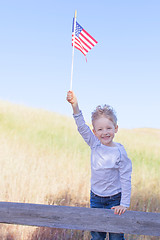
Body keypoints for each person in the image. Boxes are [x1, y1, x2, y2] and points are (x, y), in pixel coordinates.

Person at [66, 90, 132, 240]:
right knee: (97, 236)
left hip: (115, 198)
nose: (105, 132)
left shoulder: (120, 153)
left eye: (109, 128)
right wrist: (74, 105)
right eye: (100, 129)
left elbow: (126, 179)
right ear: (94, 132)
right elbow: (82, 127)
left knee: (116, 236)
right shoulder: (94, 144)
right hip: (96, 197)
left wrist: (124, 204)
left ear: (116, 128)